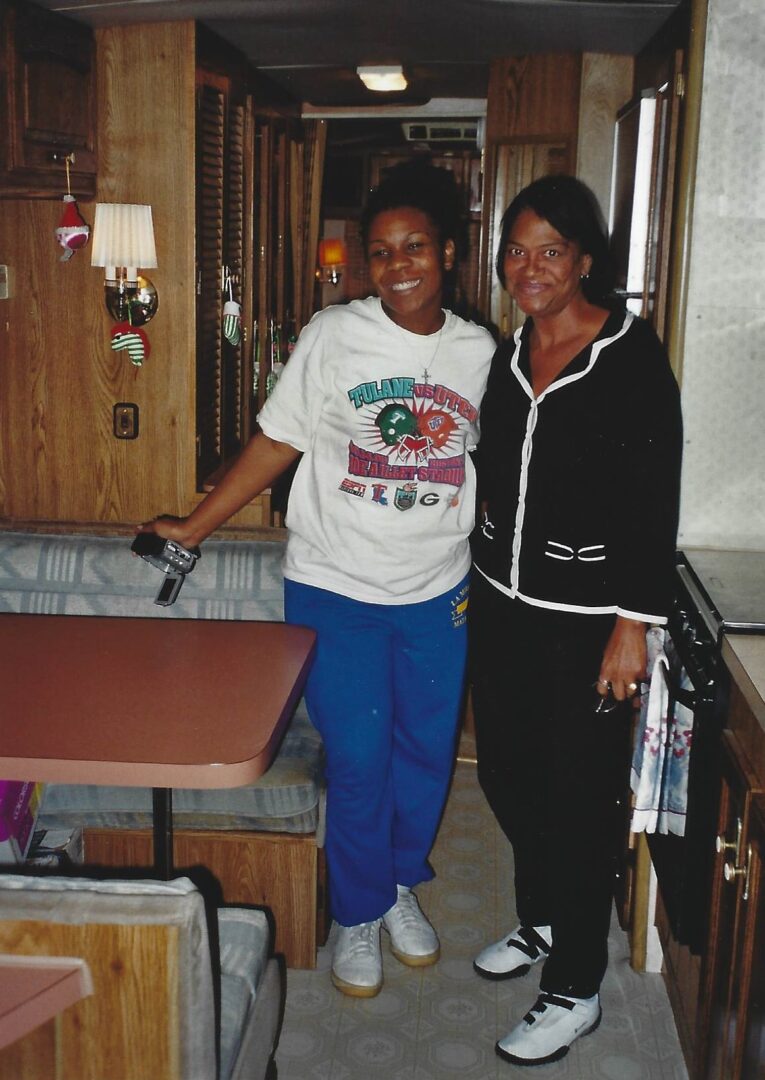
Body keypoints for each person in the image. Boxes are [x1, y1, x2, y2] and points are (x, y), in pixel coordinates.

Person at [138, 161, 495, 998]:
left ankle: (399, 882)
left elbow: (503, 463)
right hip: (335, 584)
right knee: (362, 754)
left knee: (423, 754)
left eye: (414, 246)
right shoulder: (333, 335)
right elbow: (278, 442)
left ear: (448, 252)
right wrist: (192, 526)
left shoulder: (478, 352)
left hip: (438, 587)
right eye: (380, 250)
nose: (397, 263)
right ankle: (359, 912)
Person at [468, 175, 682, 1066]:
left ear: (585, 259)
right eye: (516, 251)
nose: (529, 268)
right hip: (501, 604)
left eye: (549, 251)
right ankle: (545, 919)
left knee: (579, 800)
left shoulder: (628, 357)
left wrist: (633, 622)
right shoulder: (509, 352)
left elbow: (650, 497)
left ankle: (576, 990)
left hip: (589, 619)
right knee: (508, 778)